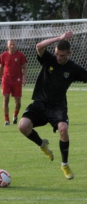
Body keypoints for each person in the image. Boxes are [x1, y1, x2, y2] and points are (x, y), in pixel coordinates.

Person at [18, 31, 87, 180]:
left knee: (63, 129)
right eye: (57, 54)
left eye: (62, 55)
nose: (58, 58)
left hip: (57, 107)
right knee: (22, 126)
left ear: (69, 54)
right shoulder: (49, 59)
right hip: (40, 103)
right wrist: (59, 38)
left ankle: (64, 164)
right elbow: (39, 46)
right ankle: (42, 144)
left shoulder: (73, 68)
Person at [0, 39, 27, 126]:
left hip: (17, 81)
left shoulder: (21, 55)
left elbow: (24, 67)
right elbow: (0, 68)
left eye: (13, 44)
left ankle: (15, 115)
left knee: (18, 102)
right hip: (6, 80)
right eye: (10, 44)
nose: (12, 46)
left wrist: (24, 78)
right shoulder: (3, 55)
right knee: (6, 99)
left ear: (16, 45)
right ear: (7, 46)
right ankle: (6, 120)